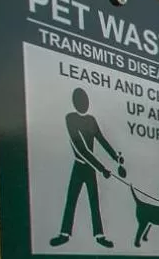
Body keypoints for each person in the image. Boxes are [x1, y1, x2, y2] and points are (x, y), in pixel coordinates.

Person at [51, 87, 124, 248]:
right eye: (81, 101)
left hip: (90, 169)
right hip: (79, 165)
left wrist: (115, 157)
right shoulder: (70, 118)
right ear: (75, 102)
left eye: (86, 101)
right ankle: (64, 234)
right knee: (71, 200)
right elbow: (81, 149)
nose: (84, 104)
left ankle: (99, 236)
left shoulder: (91, 120)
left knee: (94, 201)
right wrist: (101, 168)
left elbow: (101, 139)